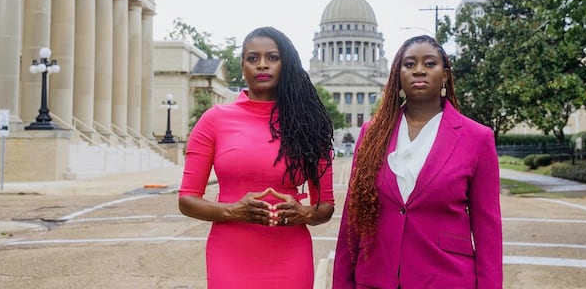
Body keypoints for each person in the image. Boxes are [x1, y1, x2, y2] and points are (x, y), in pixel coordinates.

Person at [333, 35, 503, 288]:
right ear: (397, 75)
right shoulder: (372, 133)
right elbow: (352, 218)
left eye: (430, 63)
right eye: (409, 64)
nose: (419, 70)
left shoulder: (477, 138)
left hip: (445, 278)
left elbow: (487, 230)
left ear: (445, 75)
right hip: (376, 278)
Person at [178, 26, 335, 289]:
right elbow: (186, 200)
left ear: (286, 64)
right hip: (230, 252)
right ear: (243, 66)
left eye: (272, 57)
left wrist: (303, 213)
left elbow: (325, 207)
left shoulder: (310, 125)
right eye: (253, 58)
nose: (262, 65)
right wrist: (233, 210)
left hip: (289, 253)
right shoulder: (214, 120)